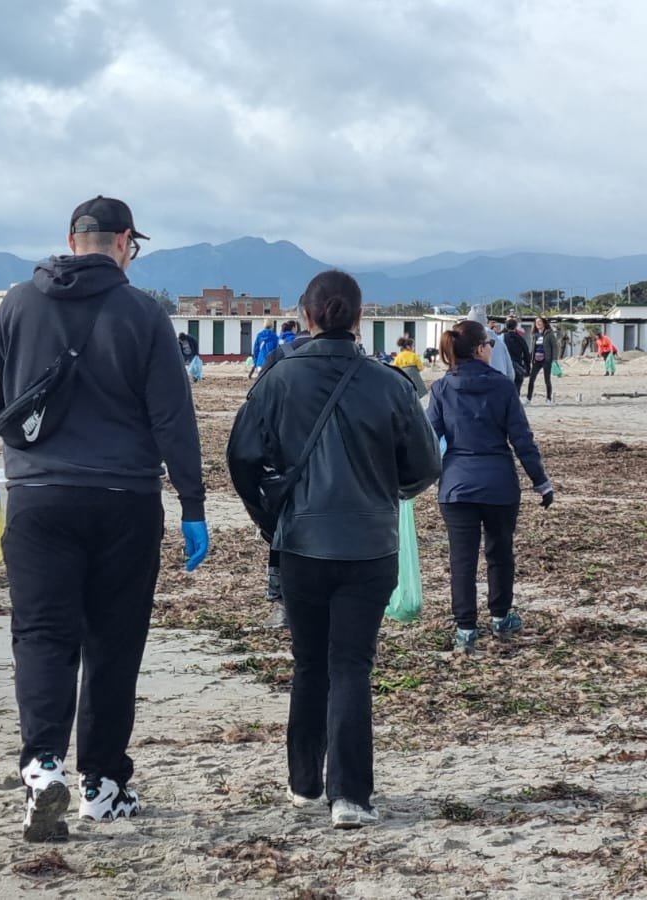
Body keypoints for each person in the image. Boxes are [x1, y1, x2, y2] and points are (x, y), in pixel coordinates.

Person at [0, 195, 208, 843]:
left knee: (42, 636)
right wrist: (192, 504)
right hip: (125, 502)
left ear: (72, 240)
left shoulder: (18, 302)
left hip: (40, 501)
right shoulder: (143, 313)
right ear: (125, 241)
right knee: (113, 644)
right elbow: (172, 419)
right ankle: (102, 785)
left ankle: (43, 770)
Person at [227, 270, 440, 830]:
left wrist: (270, 519)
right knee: (351, 666)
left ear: (307, 317)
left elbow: (242, 460)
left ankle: (303, 784)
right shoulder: (390, 382)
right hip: (369, 543)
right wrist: (384, 490)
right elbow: (424, 467)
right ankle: (350, 796)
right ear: (359, 318)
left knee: (310, 663)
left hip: (301, 542)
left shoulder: (275, 379)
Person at [425, 319, 553, 657]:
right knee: (500, 552)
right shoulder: (502, 386)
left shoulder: (441, 388)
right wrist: (540, 481)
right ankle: (500, 616)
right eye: (490, 344)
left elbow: (426, 439)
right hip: (498, 484)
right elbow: (522, 439)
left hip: (455, 486)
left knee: (462, 559)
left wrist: (411, 480)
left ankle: (466, 628)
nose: (493, 349)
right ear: (480, 348)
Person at [525, 317, 557, 403]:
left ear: (544, 323)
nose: (538, 323)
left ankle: (548, 399)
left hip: (546, 360)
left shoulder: (549, 333)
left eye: (539, 322)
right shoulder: (534, 335)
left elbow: (554, 346)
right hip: (536, 360)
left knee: (547, 380)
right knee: (531, 379)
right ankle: (528, 398)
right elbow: (533, 348)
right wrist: (530, 358)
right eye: (536, 322)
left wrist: (554, 359)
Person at [502, 317, 531, 395]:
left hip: (504, 366)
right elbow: (526, 353)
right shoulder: (520, 339)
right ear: (515, 327)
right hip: (517, 365)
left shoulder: (501, 338)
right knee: (517, 388)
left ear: (506, 326)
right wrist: (528, 368)